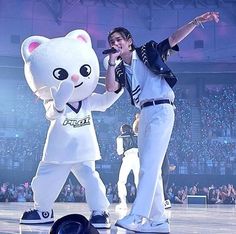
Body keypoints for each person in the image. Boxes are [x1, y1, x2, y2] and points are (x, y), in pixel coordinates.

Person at [104, 12, 219, 233]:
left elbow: (173, 39)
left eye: (119, 39)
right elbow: (110, 88)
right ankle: (158, 222)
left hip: (162, 108)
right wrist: (111, 62)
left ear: (129, 41)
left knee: (148, 166)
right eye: (112, 42)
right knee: (150, 169)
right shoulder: (119, 68)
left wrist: (195, 22)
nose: (115, 43)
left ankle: (138, 215)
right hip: (143, 114)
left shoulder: (147, 51)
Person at [116, 123, 140, 210]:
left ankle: (123, 203)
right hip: (137, 158)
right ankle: (141, 203)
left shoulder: (120, 137)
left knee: (121, 181)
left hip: (128, 158)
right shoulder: (137, 136)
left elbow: (119, 151)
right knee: (138, 181)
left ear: (123, 130)